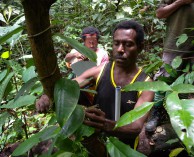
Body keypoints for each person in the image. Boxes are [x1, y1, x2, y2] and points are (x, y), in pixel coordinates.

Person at [36, 20, 154, 150]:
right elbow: (71, 86)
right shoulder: (101, 70)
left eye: (128, 44)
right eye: (117, 43)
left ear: (140, 47)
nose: (120, 49)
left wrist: (105, 125)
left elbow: (136, 126)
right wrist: (47, 95)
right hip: (97, 144)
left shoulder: (146, 84)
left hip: (125, 149)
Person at [145, 0, 194, 132]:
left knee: (191, 84)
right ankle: (156, 112)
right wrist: (180, 2)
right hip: (174, 44)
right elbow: (160, 13)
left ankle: (184, 117)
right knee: (164, 79)